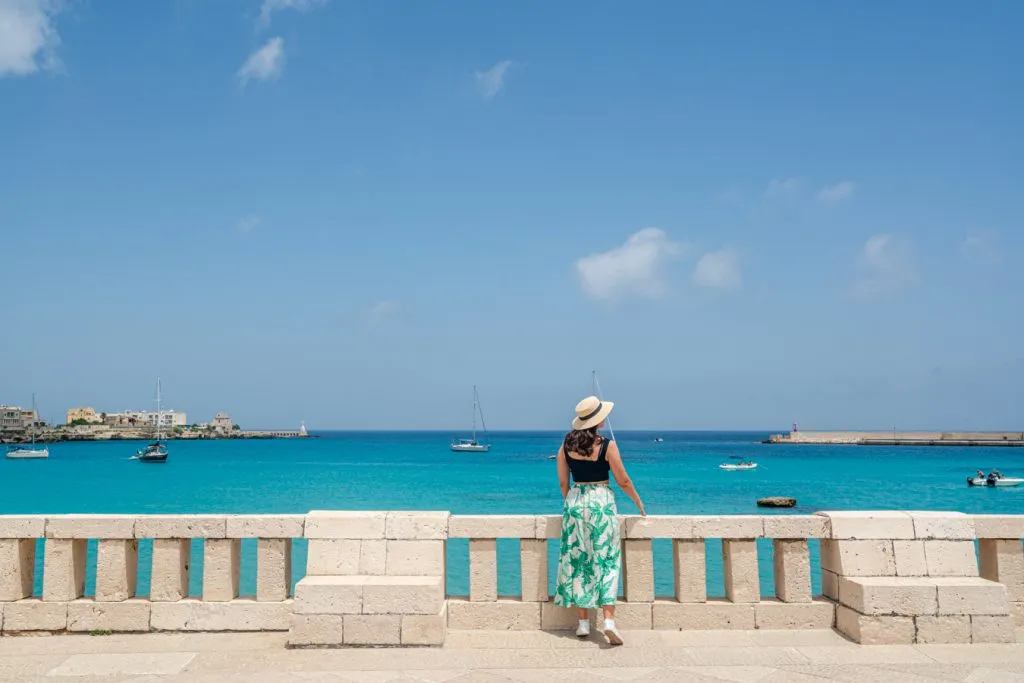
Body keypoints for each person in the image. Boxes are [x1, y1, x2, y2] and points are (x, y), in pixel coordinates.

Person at [554, 395, 645, 646]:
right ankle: (608, 621)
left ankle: (583, 623)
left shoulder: (565, 445)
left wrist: (571, 502)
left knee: (579, 560)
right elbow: (623, 480)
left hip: (575, 502)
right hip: (602, 503)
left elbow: (563, 481)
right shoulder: (607, 445)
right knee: (606, 560)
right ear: (598, 420)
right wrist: (638, 502)